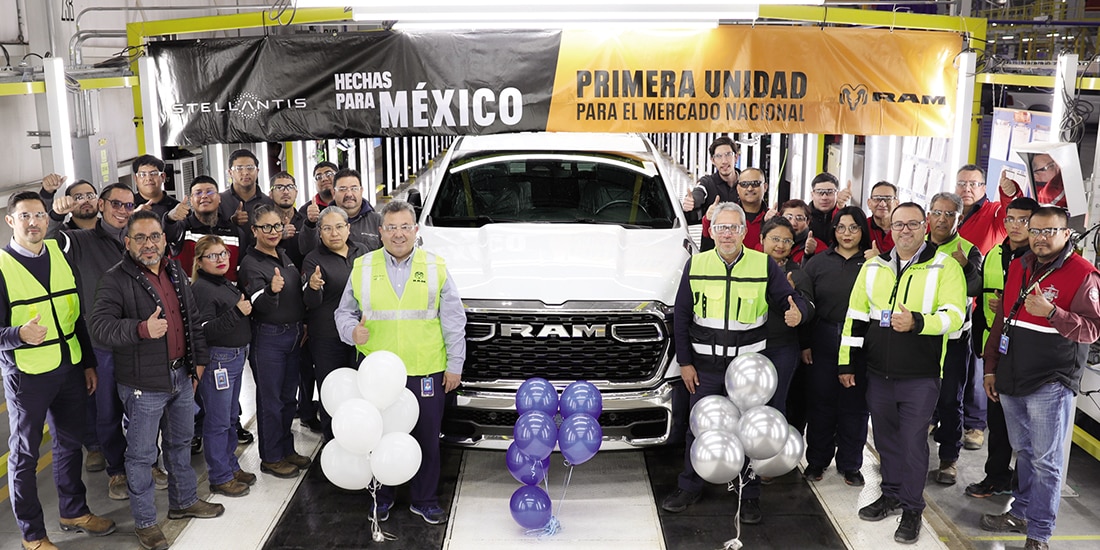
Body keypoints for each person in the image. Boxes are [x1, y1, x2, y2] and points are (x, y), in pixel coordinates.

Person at [662, 201, 809, 524]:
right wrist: (685, 363)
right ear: (711, 231)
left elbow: (789, 297)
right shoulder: (696, 265)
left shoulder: (762, 265)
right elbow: (682, 316)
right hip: (705, 368)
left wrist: (797, 309)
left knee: (750, 433)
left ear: (744, 231)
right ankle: (690, 485)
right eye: (720, 227)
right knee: (699, 427)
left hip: (747, 372)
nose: (727, 234)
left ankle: (749, 493)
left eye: (733, 227)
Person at [90, 209, 223, 550]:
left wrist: (200, 363)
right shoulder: (115, 279)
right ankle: (147, 522)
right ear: (127, 241)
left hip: (181, 375)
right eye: (140, 238)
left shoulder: (174, 269)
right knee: (141, 457)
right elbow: (100, 327)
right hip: (142, 385)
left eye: (154, 237)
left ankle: (183, 502)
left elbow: (191, 317)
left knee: (180, 445)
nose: (148, 244)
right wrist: (141, 329)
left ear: (164, 240)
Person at [841, 202, 965, 544]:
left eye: (912, 224)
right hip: (878, 373)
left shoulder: (944, 267)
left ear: (925, 226)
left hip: (920, 375)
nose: (905, 231)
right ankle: (892, 493)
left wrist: (918, 323)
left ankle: (912, 507)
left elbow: (954, 316)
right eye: (898, 225)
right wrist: (847, 362)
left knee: (912, 443)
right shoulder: (874, 266)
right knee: (886, 440)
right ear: (889, 229)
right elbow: (855, 317)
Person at [335, 199, 466, 525]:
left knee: (426, 439)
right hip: (377, 374)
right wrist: (352, 332)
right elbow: (343, 313)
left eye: (405, 227)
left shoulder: (435, 267)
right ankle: (382, 497)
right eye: (391, 228)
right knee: (377, 438)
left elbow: (453, 320)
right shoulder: (363, 267)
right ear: (380, 231)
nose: (398, 234)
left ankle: (425, 499)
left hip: (425, 369)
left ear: (416, 230)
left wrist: (455, 365)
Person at [980, 206, 1100, 550]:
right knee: (1025, 453)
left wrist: (1053, 313)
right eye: (1035, 231)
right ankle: (1020, 513)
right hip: (1012, 377)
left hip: (1050, 382)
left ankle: (1039, 533)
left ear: (1066, 234)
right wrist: (991, 367)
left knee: (1046, 461)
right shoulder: (1020, 265)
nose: (1040, 238)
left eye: (1049, 232)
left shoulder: (1083, 274)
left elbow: (1092, 328)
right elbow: (1004, 319)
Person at [2, 191, 116, 550]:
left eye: (38, 215)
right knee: (25, 455)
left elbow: (75, 311)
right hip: (27, 375)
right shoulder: (1, 268)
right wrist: (18, 334)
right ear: (11, 221)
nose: (33, 222)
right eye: (25, 217)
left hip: (68, 366)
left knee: (70, 443)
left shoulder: (58, 254)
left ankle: (73, 511)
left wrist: (87, 363)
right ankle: (33, 535)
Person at [47, 183, 156, 500]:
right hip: (104, 343)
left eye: (128, 205)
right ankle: (117, 471)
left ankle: (148, 463)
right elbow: (50, 238)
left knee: (144, 410)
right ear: (102, 205)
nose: (122, 211)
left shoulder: (139, 240)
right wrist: (55, 212)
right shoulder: (79, 241)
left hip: (140, 338)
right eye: (116, 204)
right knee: (107, 411)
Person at [965, 197, 1039, 499]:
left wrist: (1010, 306)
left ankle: (1023, 489)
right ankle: (996, 477)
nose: (1015, 225)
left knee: (1027, 431)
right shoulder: (995, 253)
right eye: (1010, 219)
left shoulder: (1041, 258)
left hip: (1029, 355)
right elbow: (981, 296)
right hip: (997, 350)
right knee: (997, 423)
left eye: (1024, 220)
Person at [238, 204, 311, 478]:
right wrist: (271, 290)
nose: (272, 232)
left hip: (293, 335)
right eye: (266, 227)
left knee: (287, 399)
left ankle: (286, 449)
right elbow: (262, 306)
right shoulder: (251, 263)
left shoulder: (283, 255)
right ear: (254, 230)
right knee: (271, 401)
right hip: (269, 338)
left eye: (277, 226)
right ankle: (270, 458)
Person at [801, 206, 871, 487]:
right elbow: (807, 304)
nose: (846, 233)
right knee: (821, 403)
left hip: (860, 343)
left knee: (855, 405)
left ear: (862, 231)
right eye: (841, 227)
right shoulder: (817, 263)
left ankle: (851, 464)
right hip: (823, 338)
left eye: (853, 227)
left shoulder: (873, 263)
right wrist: (805, 344)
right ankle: (817, 461)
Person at [190, 235, 257, 497]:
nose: (220, 260)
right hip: (220, 360)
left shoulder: (223, 283)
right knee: (218, 421)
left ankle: (230, 465)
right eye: (213, 256)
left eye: (224, 254)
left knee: (230, 418)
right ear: (199, 261)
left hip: (236, 357)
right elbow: (205, 331)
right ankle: (219, 476)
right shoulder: (203, 290)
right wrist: (237, 312)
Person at [925, 192, 984, 486]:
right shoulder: (918, 247)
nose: (942, 219)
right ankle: (908, 455)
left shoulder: (969, 250)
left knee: (950, 399)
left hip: (954, 339)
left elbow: (976, 288)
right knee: (916, 397)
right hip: (921, 336)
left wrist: (965, 265)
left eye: (949, 214)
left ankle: (949, 458)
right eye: (937, 212)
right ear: (928, 215)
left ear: (959, 218)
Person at [303, 206, 368, 440]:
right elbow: (310, 302)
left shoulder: (363, 252)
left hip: (360, 335)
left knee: (361, 390)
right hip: (328, 338)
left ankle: (359, 438)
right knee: (333, 391)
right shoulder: (314, 259)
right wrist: (313, 286)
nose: (334, 233)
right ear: (320, 232)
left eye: (339, 227)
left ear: (348, 229)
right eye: (327, 228)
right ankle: (333, 440)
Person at [759, 216, 814, 418]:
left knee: (775, 403)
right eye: (775, 239)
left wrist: (796, 305)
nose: (780, 245)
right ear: (762, 238)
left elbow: (809, 306)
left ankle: (772, 448)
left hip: (782, 347)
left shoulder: (797, 274)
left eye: (787, 241)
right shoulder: (748, 267)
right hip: (749, 345)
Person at [164, 176, 250, 281]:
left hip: (228, 296)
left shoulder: (235, 232)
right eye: (198, 193)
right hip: (190, 295)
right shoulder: (182, 228)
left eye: (209, 192)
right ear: (191, 200)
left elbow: (241, 272)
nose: (204, 196)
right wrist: (169, 218)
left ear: (219, 198)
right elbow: (166, 234)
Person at [300, 168, 382, 255]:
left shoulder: (377, 221)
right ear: (333, 193)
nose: (349, 194)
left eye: (354, 188)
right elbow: (306, 251)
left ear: (361, 191)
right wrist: (311, 224)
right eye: (343, 189)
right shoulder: (321, 220)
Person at [681, 136, 740, 251]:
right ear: (713, 160)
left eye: (728, 154)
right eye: (718, 156)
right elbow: (699, 191)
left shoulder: (745, 183)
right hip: (711, 252)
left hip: (741, 251)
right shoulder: (708, 182)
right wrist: (692, 201)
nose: (724, 161)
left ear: (736, 157)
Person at [701, 167, 771, 251]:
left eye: (755, 183)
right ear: (738, 188)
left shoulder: (772, 218)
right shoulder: (725, 214)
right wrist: (708, 220)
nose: (750, 188)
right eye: (744, 184)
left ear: (765, 187)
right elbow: (707, 247)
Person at [955, 164, 1006, 255]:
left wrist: (1008, 194)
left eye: (973, 184)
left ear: (984, 188)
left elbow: (1010, 210)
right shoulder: (946, 211)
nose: (966, 189)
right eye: (961, 184)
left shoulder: (994, 211)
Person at [219, 149, 275, 227]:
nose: (245, 173)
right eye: (239, 168)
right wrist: (231, 222)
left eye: (250, 167)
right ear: (230, 173)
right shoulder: (219, 201)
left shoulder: (268, 202)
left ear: (257, 171)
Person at [999, 153, 1067, 209]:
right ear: (1036, 176)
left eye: (1055, 162)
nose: (1058, 166)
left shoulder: (1036, 193)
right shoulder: (1048, 195)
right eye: (1050, 166)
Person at [131, 155, 180, 219]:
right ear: (136, 179)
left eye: (153, 173)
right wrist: (132, 215)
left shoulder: (176, 207)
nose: (148, 178)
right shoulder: (127, 206)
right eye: (142, 174)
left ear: (163, 177)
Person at [779, 199, 826, 264]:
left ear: (807, 222)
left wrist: (809, 255)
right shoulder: (772, 242)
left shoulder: (819, 247)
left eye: (799, 218)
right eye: (788, 217)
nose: (793, 223)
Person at [807, 172, 853, 238]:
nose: (824, 197)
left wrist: (841, 207)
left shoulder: (848, 216)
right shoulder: (803, 216)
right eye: (819, 192)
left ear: (837, 194)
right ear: (812, 195)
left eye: (830, 192)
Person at [298, 162, 338, 233]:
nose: (324, 179)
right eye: (319, 177)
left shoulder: (348, 203)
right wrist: (310, 222)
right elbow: (303, 240)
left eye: (329, 174)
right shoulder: (306, 210)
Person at [864, 181, 898, 256]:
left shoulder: (905, 228)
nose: (882, 204)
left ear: (896, 203)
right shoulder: (862, 226)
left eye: (888, 199)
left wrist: (878, 259)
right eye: (877, 199)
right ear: (869, 203)